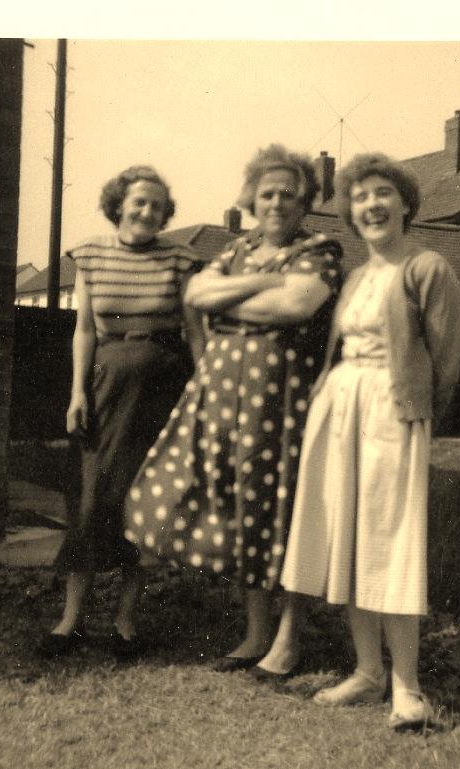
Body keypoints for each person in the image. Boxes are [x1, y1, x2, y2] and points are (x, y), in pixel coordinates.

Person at [253, 153, 460, 730]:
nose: (371, 205)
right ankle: (369, 671)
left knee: (390, 540)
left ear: (405, 205)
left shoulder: (429, 268)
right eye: (360, 196)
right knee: (351, 535)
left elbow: (447, 366)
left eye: (383, 194)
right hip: (340, 408)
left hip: (392, 412)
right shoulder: (353, 276)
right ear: (349, 211)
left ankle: (408, 688)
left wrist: (417, 415)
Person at [124, 144, 343, 671]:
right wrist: (268, 280)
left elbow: (296, 304)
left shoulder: (323, 248)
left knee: (286, 506)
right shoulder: (237, 248)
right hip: (222, 395)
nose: (276, 203)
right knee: (243, 505)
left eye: (288, 194)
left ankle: (289, 637)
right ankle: (254, 633)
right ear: (250, 198)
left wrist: (236, 297)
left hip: (283, 398)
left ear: (305, 201)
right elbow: (196, 295)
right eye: (266, 193)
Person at [37, 165, 204, 659]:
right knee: (90, 497)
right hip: (106, 386)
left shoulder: (180, 258)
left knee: (146, 502)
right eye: (139, 202)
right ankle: (71, 619)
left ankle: (127, 620)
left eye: (157, 205)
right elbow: (84, 330)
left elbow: (196, 330)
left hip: (162, 388)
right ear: (119, 205)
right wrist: (77, 393)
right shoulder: (89, 254)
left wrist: (204, 389)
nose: (148, 212)